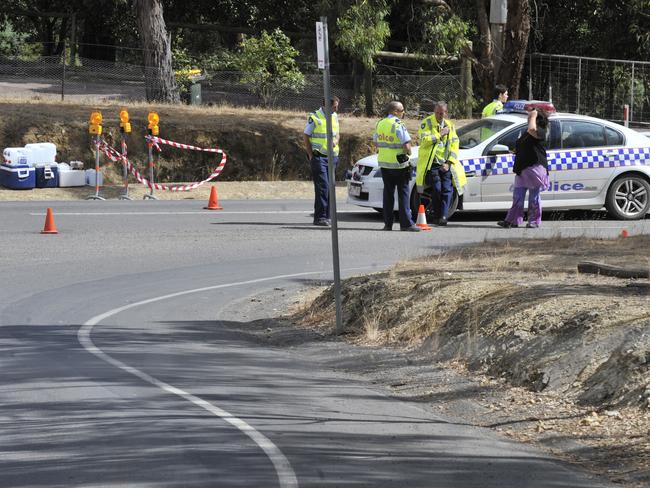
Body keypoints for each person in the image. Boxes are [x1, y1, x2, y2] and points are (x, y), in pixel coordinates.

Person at [415, 101, 466, 226]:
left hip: (445, 164)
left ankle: (443, 217)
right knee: (437, 189)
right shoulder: (427, 123)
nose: (439, 115)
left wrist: (449, 162)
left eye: (441, 113)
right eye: (437, 113)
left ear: (446, 113)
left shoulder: (450, 125)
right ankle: (436, 215)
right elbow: (424, 141)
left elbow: (455, 145)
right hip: (432, 163)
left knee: (447, 190)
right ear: (434, 111)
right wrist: (440, 134)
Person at [498, 108, 550, 229]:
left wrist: (533, 114)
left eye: (530, 117)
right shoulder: (527, 134)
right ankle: (512, 220)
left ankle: (534, 221)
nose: (527, 118)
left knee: (534, 197)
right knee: (517, 196)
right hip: (522, 170)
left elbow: (532, 129)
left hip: (535, 169)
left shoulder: (541, 131)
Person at [374, 101, 419, 232]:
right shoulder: (398, 125)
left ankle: (388, 224)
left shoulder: (380, 123)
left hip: (385, 164)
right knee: (403, 194)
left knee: (388, 195)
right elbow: (406, 145)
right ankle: (406, 224)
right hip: (399, 165)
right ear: (395, 112)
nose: (403, 113)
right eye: (402, 110)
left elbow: (376, 142)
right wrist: (409, 152)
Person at [303, 96, 340, 227]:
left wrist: (335, 141)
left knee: (330, 187)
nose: (336, 109)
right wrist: (310, 155)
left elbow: (337, 134)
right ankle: (320, 217)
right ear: (326, 105)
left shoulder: (334, 116)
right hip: (319, 157)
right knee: (323, 187)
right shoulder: (315, 117)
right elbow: (306, 136)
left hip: (332, 157)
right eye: (334, 106)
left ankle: (328, 216)